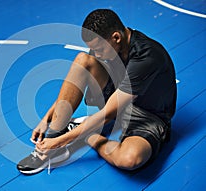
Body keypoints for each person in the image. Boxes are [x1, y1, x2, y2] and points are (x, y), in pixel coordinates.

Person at [17, 9, 177, 175]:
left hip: (147, 115)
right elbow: (75, 84)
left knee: (129, 159)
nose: (97, 53)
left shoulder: (146, 56)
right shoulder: (106, 44)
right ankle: (53, 138)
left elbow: (108, 114)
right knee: (83, 61)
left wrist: (62, 141)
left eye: (99, 50)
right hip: (118, 95)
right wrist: (47, 119)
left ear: (116, 37)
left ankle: (87, 136)